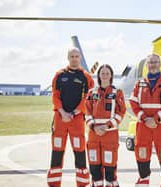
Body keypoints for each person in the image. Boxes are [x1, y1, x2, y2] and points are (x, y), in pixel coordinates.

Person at [47, 47, 94, 187]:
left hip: (77, 120)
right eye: (72, 56)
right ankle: (54, 184)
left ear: (80, 58)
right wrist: (62, 112)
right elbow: (55, 96)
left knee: (80, 152)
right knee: (57, 151)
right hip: (60, 119)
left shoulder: (86, 76)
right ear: (68, 58)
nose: (74, 59)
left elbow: (87, 98)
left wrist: (73, 113)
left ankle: (82, 184)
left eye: (76, 56)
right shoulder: (59, 75)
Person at [129, 54, 161, 187]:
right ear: (147, 65)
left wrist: (156, 119)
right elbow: (133, 103)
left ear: (160, 64)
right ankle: (143, 181)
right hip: (144, 127)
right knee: (142, 154)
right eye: (150, 62)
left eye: (155, 62)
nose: (153, 65)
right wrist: (145, 119)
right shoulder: (139, 84)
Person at [85, 64, 126, 187]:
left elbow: (120, 112)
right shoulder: (91, 93)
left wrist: (107, 126)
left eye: (107, 73)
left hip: (110, 136)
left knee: (110, 169)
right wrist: (93, 127)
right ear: (98, 76)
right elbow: (87, 112)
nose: (105, 76)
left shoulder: (117, 93)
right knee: (94, 168)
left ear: (111, 75)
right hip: (94, 136)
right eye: (102, 73)